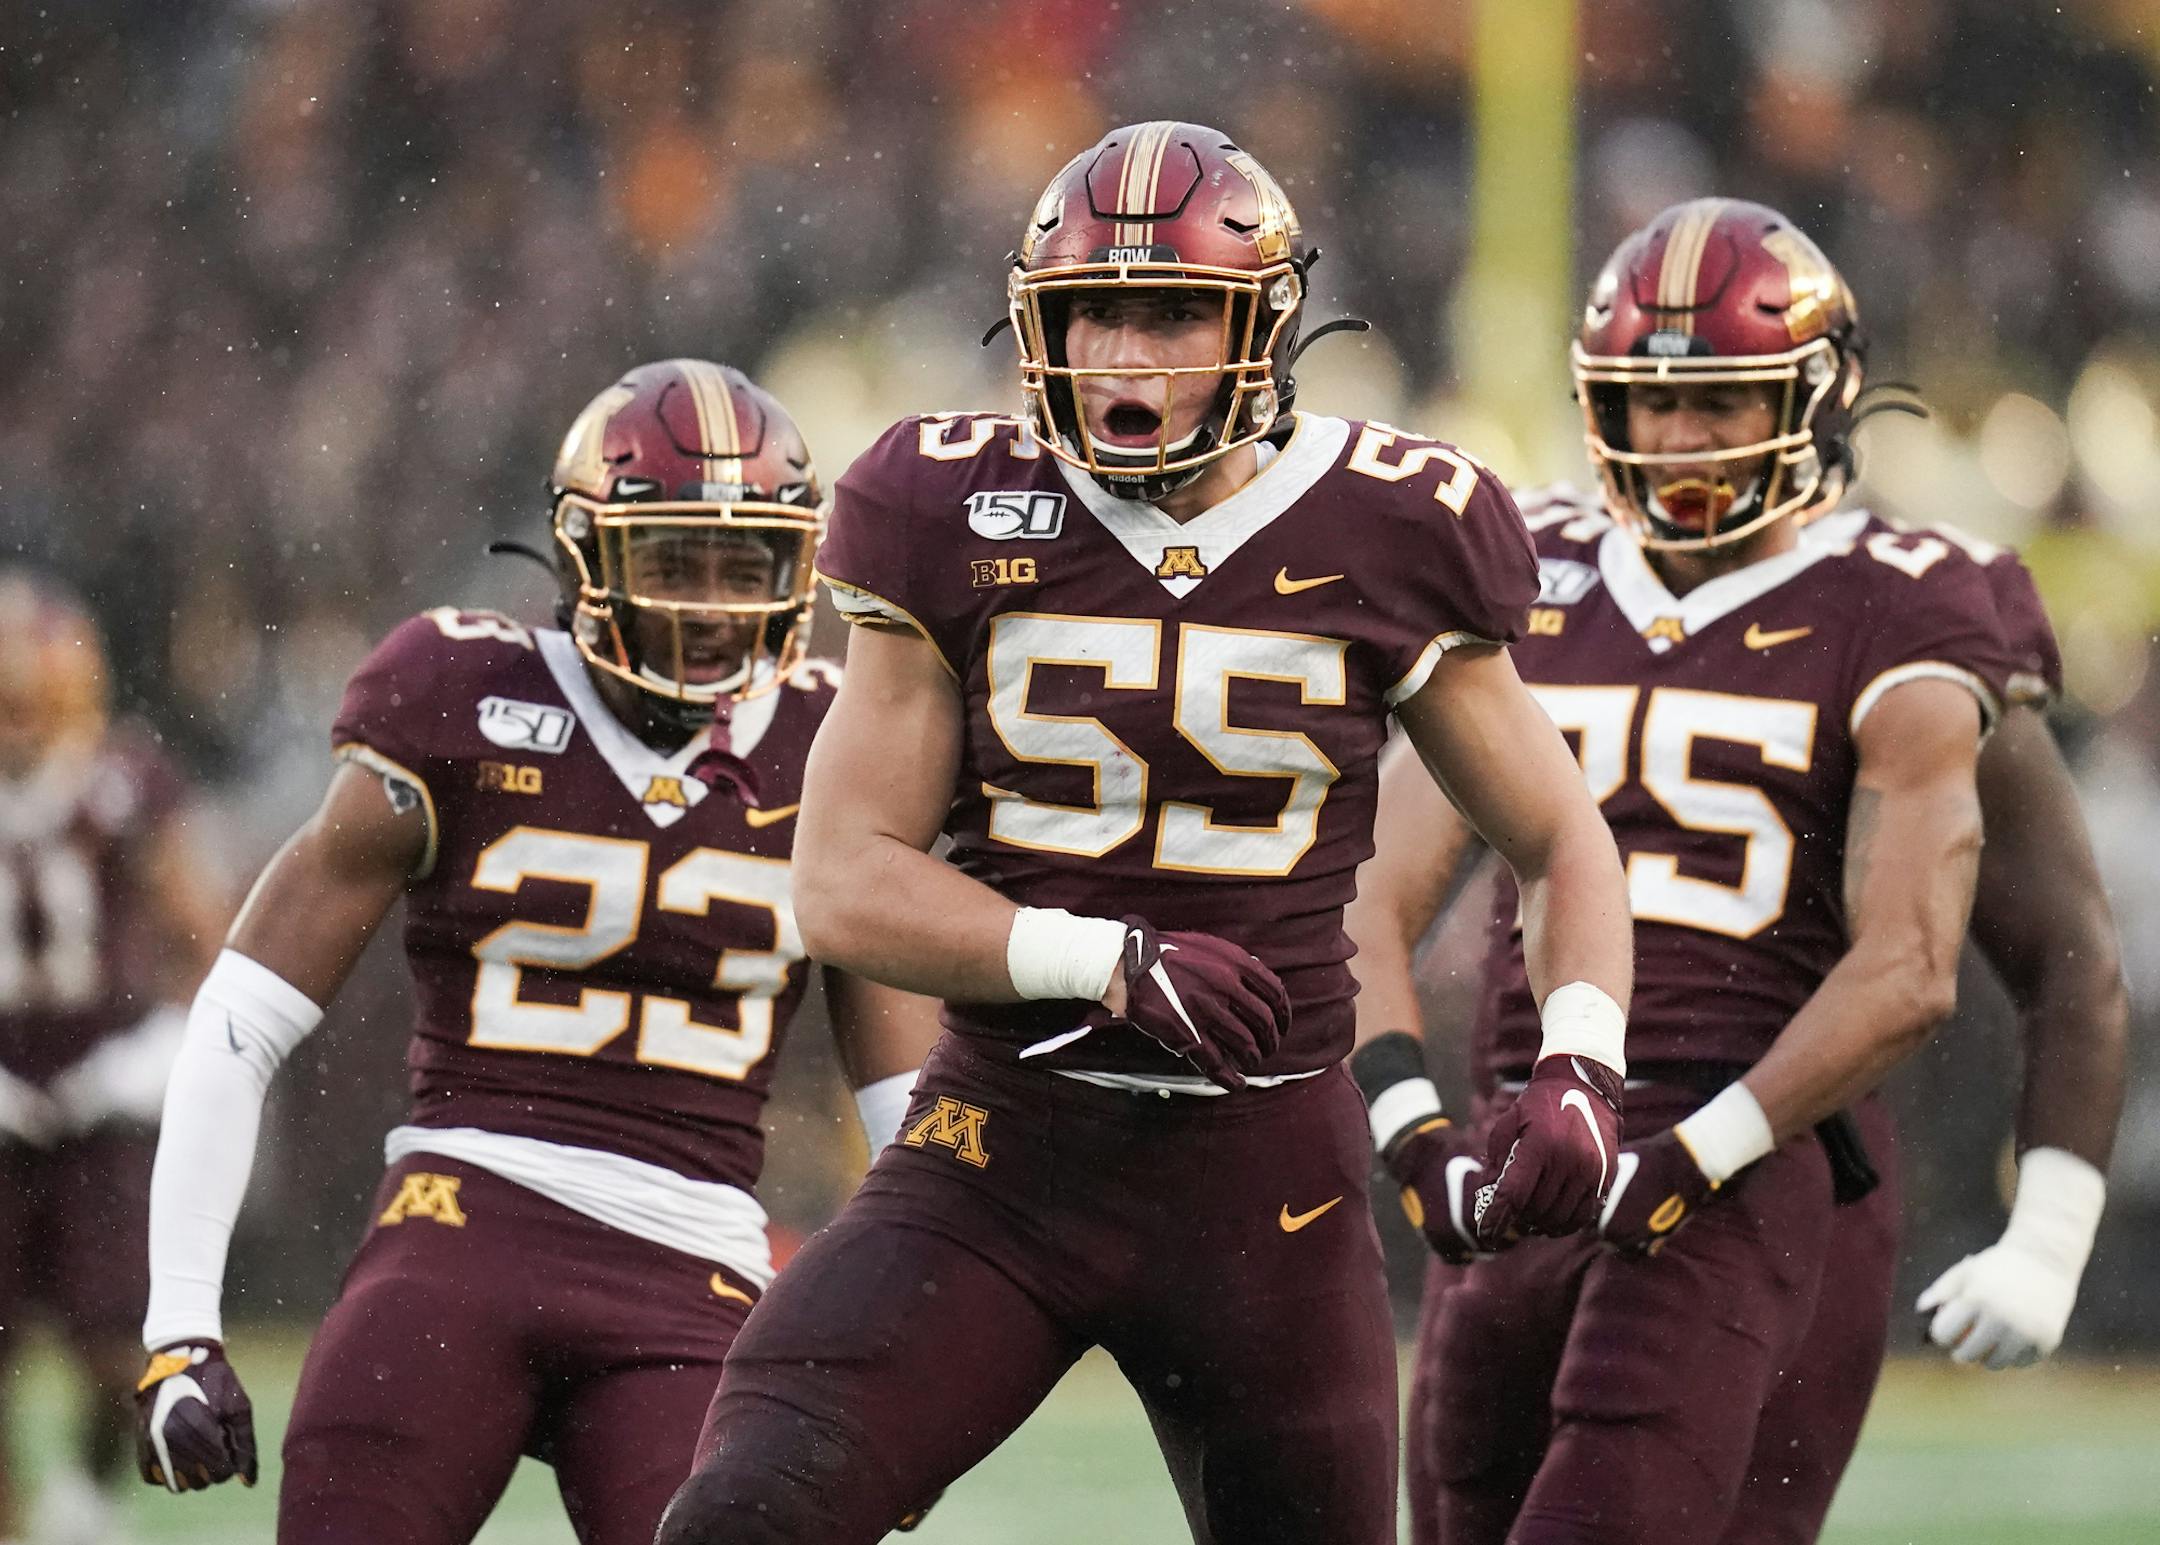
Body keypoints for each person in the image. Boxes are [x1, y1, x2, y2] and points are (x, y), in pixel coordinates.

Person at [657, 120, 1634, 1545]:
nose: (1125, 356)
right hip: (1006, 1146)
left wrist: (1584, 1057)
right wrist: (1100, 960)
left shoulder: (1395, 522)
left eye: (1172, 315)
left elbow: (1558, 839)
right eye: (1094, 314)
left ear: (1264, 327)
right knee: (745, 1514)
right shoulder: (943, 503)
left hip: (1269, 1179)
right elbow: (845, 880)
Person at [1345, 197, 2121, 1545]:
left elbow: (2005, 963)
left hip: (1766, 1147)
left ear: (1816, 401)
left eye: (1718, 400)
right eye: (1650, 402)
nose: (1679, 438)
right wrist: (1414, 1136)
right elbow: (1368, 892)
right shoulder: (1531, 576)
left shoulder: (1910, 603)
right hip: (1537, 1141)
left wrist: (2049, 1229)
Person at [132, 360, 940, 1545]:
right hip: (460, 1230)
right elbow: (241, 1019)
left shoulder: (830, 744)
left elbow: (908, 1115)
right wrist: (180, 1328)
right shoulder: (456, 691)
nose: (714, 606)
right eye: (674, 561)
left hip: (696, 1272)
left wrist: (911, 1378)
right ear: (584, 557)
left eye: (745, 565)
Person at [0, 572, 223, 1545]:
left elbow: (201, 936)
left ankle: (85, 1501)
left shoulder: (125, 783)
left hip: (105, 1093)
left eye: (30, 696)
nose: (19, 718)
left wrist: (154, 1050)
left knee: (118, 1332)